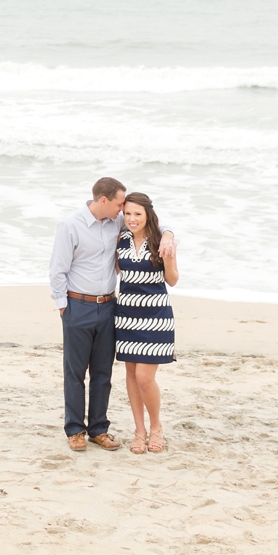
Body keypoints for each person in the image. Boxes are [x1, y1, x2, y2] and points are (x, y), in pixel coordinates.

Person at [48, 178, 175, 452]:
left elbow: (148, 222)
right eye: (120, 204)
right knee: (75, 371)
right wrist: (63, 306)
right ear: (104, 201)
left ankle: (98, 429)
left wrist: (168, 234)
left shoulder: (116, 221)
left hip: (110, 307)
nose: (124, 210)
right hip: (77, 305)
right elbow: (58, 269)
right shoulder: (71, 225)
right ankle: (75, 430)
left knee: (103, 373)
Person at [114, 191, 179, 454]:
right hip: (126, 315)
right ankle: (139, 431)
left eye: (137, 214)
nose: (131, 218)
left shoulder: (161, 241)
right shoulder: (121, 238)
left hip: (155, 317)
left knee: (144, 377)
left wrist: (169, 254)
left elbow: (172, 280)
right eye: (127, 213)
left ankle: (156, 427)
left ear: (148, 215)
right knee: (130, 374)